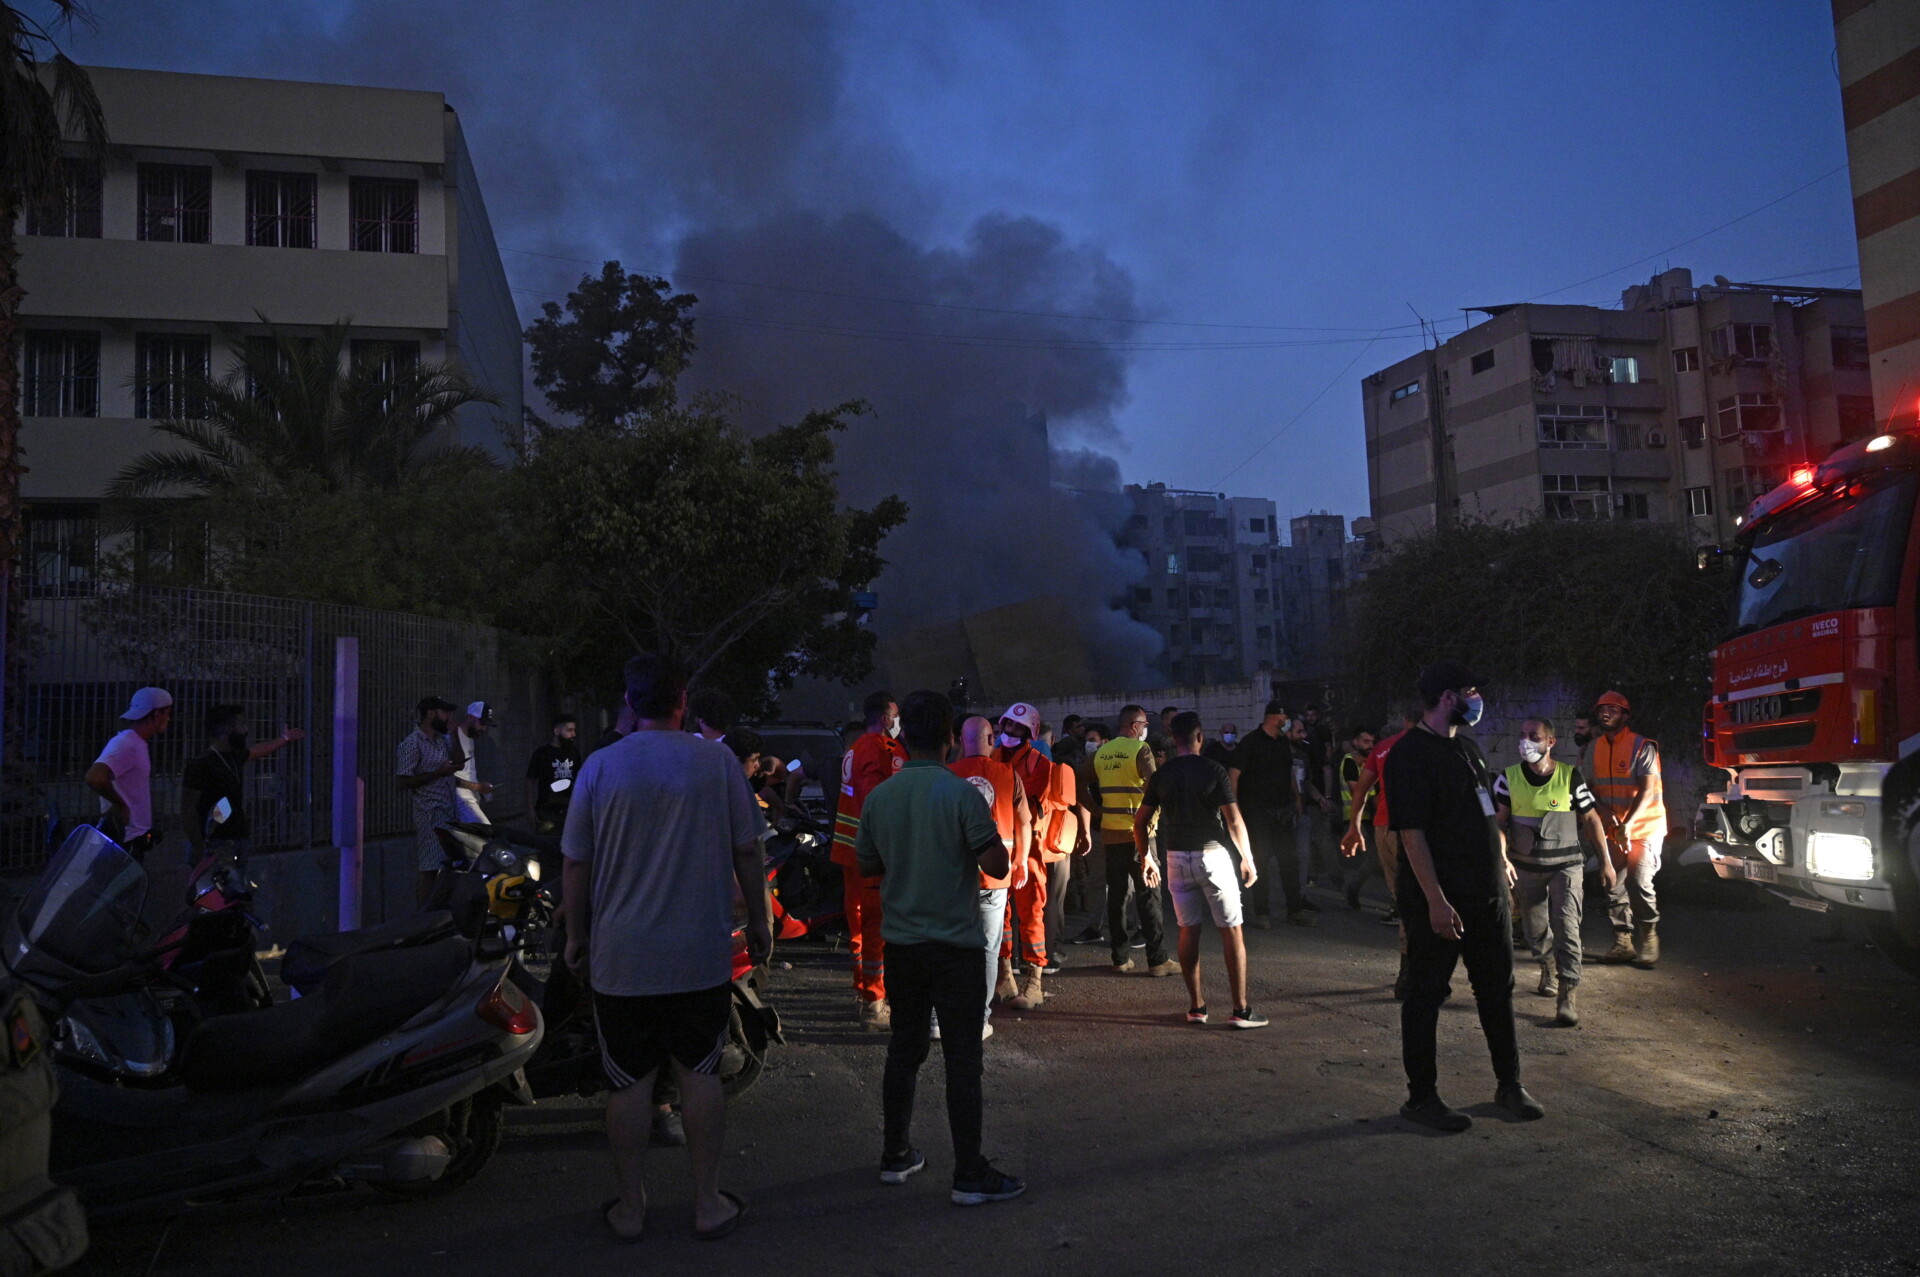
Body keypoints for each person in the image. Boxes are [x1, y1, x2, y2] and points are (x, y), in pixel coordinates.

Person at [561, 652, 770, 1243]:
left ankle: (631, 1210)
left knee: (629, 1084)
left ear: (630, 703)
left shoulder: (601, 766)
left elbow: (576, 861)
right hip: (697, 955)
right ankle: (707, 1204)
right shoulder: (717, 763)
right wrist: (761, 921)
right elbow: (748, 851)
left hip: (621, 959)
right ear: (684, 702)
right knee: (699, 1073)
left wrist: (577, 935)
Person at [856, 689, 1026, 1207]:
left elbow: (866, 865)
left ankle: (895, 1155)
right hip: (956, 948)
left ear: (903, 737)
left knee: (904, 1050)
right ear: (951, 740)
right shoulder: (961, 796)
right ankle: (969, 1173)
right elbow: (997, 865)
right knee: (962, 1058)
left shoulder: (881, 796)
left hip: (903, 947)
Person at [1387, 661, 1543, 1132]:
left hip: (1486, 894)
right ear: (1448, 697)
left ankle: (1508, 1084)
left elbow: (1482, 815)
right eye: (1471, 690)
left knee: (1497, 988)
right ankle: (1422, 1097)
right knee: (1425, 993)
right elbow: (1411, 835)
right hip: (1442, 900)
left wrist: (1501, 860)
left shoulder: (1467, 749)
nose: (1478, 699)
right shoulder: (1408, 755)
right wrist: (1435, 900)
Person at [1137, 712, 1265, 1028]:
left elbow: (1140, 821)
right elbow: (1234, 820)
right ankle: (1240, 1010)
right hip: (1213, 856)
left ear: (1174, 739)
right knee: (1231, 929)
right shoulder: (1213, 769)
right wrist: (1247, 858)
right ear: (1199, 737)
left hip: (1176, 858)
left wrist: (1146, 858)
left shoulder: (1162, 775)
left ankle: (1196, 1007)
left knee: (1187, 929)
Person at [1494, 717, 1612, 1027]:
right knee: (1534, 931)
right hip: (1526, 869)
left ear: (1550, 742)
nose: (1525, 741)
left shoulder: (1570, 777)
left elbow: (1592, 820)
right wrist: (1502, 857)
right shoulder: (1507, 779)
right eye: (1522, 735)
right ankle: (1546, 963)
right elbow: (1498, 823)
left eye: (1533, 736)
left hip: (1566, 866)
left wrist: (1607, 863)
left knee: (1567, 926)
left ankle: (1567, 995)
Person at [992, 702, 1084, 999]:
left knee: (1032, 913)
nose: (1011, 731)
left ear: (1030, 731)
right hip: (996, 848)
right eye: (1008, 725)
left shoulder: (1038, 763)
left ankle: (1034, 981)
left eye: (1018, 727)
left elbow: (1027, 808)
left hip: (1028, 850)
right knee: (1000, 916)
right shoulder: (991, 758)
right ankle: (1005, 975)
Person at [949, 715, 1029, 1029]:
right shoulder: (1009, 774)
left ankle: (944, 1017)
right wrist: (1021, 859)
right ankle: (979, 1019)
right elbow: (1025, 821)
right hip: (996, 875)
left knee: (952, 946)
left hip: (956, 876)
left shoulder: (949, 775)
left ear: (959, 741)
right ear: (991, 739)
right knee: (986, 950)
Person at [832, 690, 906, 1029]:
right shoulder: (880, 749)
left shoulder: (853, 747)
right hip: (871, 854)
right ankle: (875, 1001)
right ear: (888, 718)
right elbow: (878, 802)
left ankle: (864, 990)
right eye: (896, 716)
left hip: (850, 850)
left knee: (859, 925)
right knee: (876, 926)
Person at [1342, 707, 1419, 994]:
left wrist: (1355, 827)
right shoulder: (1433, 746)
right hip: (1420, 831)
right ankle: (1421, 971)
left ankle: (1407, 973)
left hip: (1385, 827)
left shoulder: (1384, 749)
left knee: (1404, 899)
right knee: (1428, 898)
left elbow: (1361, 790)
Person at [1589, 690, 1666, 969]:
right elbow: (1587, 787)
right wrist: (1606, 813)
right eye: (1601, 709)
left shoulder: (1642, 746)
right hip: (1612, 830)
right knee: (1613, 883)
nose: (1605, 713)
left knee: (1638, 881)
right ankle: (1623, 941)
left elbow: (1647, 790)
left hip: (1644, 828)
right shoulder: (1595, 747)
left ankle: (1648, 935)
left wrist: (1628, 824)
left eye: (1612, 709)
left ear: (1625, 715)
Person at [1094, 706, 1173, 975]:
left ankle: (1120, 958)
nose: (1145, 728)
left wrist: (1094, 810)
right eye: (1144, 724)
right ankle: (1158, 960)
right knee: (1149, 895)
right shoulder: (1141, 750)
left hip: (1110, 834)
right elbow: (1157, 784)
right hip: (1139, 835)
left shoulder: (1101, 752)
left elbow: (1079, 780)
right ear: (1134, 725)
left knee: (1117, 896)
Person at [181, 704, 306, 863]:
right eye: (242, 724)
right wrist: (199, 846)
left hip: (237, 838)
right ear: (227, 730)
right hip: (214, 843)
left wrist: (284, 739)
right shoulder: (201, 765)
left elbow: (257, 750)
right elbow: (188, 810)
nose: (246, 730)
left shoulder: (234, 756)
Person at [1229, 700, 1309, 927]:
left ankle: (1295, 910)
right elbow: (1233, 775)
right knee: (1260, 862)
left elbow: (1288, 772)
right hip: (1258, 814)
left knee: (1289, 862)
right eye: (1285, 719)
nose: (1287, 723)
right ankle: (1262, 913)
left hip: (1282, 812)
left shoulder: (1282, 742)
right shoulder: (1251, 743)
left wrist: (1297, 798)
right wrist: (1235, 808)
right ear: (1276, 717)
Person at [85, 687, 174, 861]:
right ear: (156, 715)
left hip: (129, 839)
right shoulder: (127, 743)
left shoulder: (136, 743)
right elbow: (94, 777)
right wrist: (121, 805)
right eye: (167, 713)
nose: (168, 719)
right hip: (122, 842)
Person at [398, 697, 465, 903]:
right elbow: (402, 782)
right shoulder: (412, 743)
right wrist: (438, 773)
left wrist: (454, 734)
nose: (449, 718)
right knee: (429, 867)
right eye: (445, 713)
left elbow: (459, 764)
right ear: (430, 714)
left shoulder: (442, 739)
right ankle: (422, 916)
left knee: (449, 865)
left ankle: (441, 911)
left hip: (448, 811)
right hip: (429, 813)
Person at [1065, 721, 1111, 936]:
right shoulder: (1085, 765)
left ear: (1105, 742)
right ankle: (1095, 926)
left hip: (1118, 829)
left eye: (1092, 740)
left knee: (1125, 880)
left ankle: (1133, 925)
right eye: (1086, 741)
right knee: (1096, 880)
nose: (1088, 745)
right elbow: (1081, 797)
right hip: (1096, 829)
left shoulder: (1113, 765)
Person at [1336, 725, 1379, 909]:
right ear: (1355, 742)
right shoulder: (1350, 761)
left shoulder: (1369, 761)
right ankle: (1350, 887)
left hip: (1370, 817)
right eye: (1365, 741)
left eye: (1372, 742)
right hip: (1355, 818)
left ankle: (1351, 888)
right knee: (1371, 860)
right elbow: (1357, 790)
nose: (1370, 745)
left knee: (1373, 860)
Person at [525, 714, 582, 835]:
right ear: (557, 731)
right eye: (569, 730)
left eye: (574, 730)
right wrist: (530, 808)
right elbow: (530, 781)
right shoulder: (542, 753)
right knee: (546, 846)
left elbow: (580, 780)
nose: (573, 734)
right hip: (546, 810)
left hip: (569, 809)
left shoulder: (574, 753)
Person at [450, 701, 496, 824]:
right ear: (470, 717)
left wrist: (481, 791)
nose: (484, 729)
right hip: (461, 798)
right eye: (482, 723)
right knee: (484, 834)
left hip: (471, 797)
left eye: (486, 725)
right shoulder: (453, 737)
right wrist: (478, 787)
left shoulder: (470, 737)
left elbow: (468, 771)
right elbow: (447, 776)